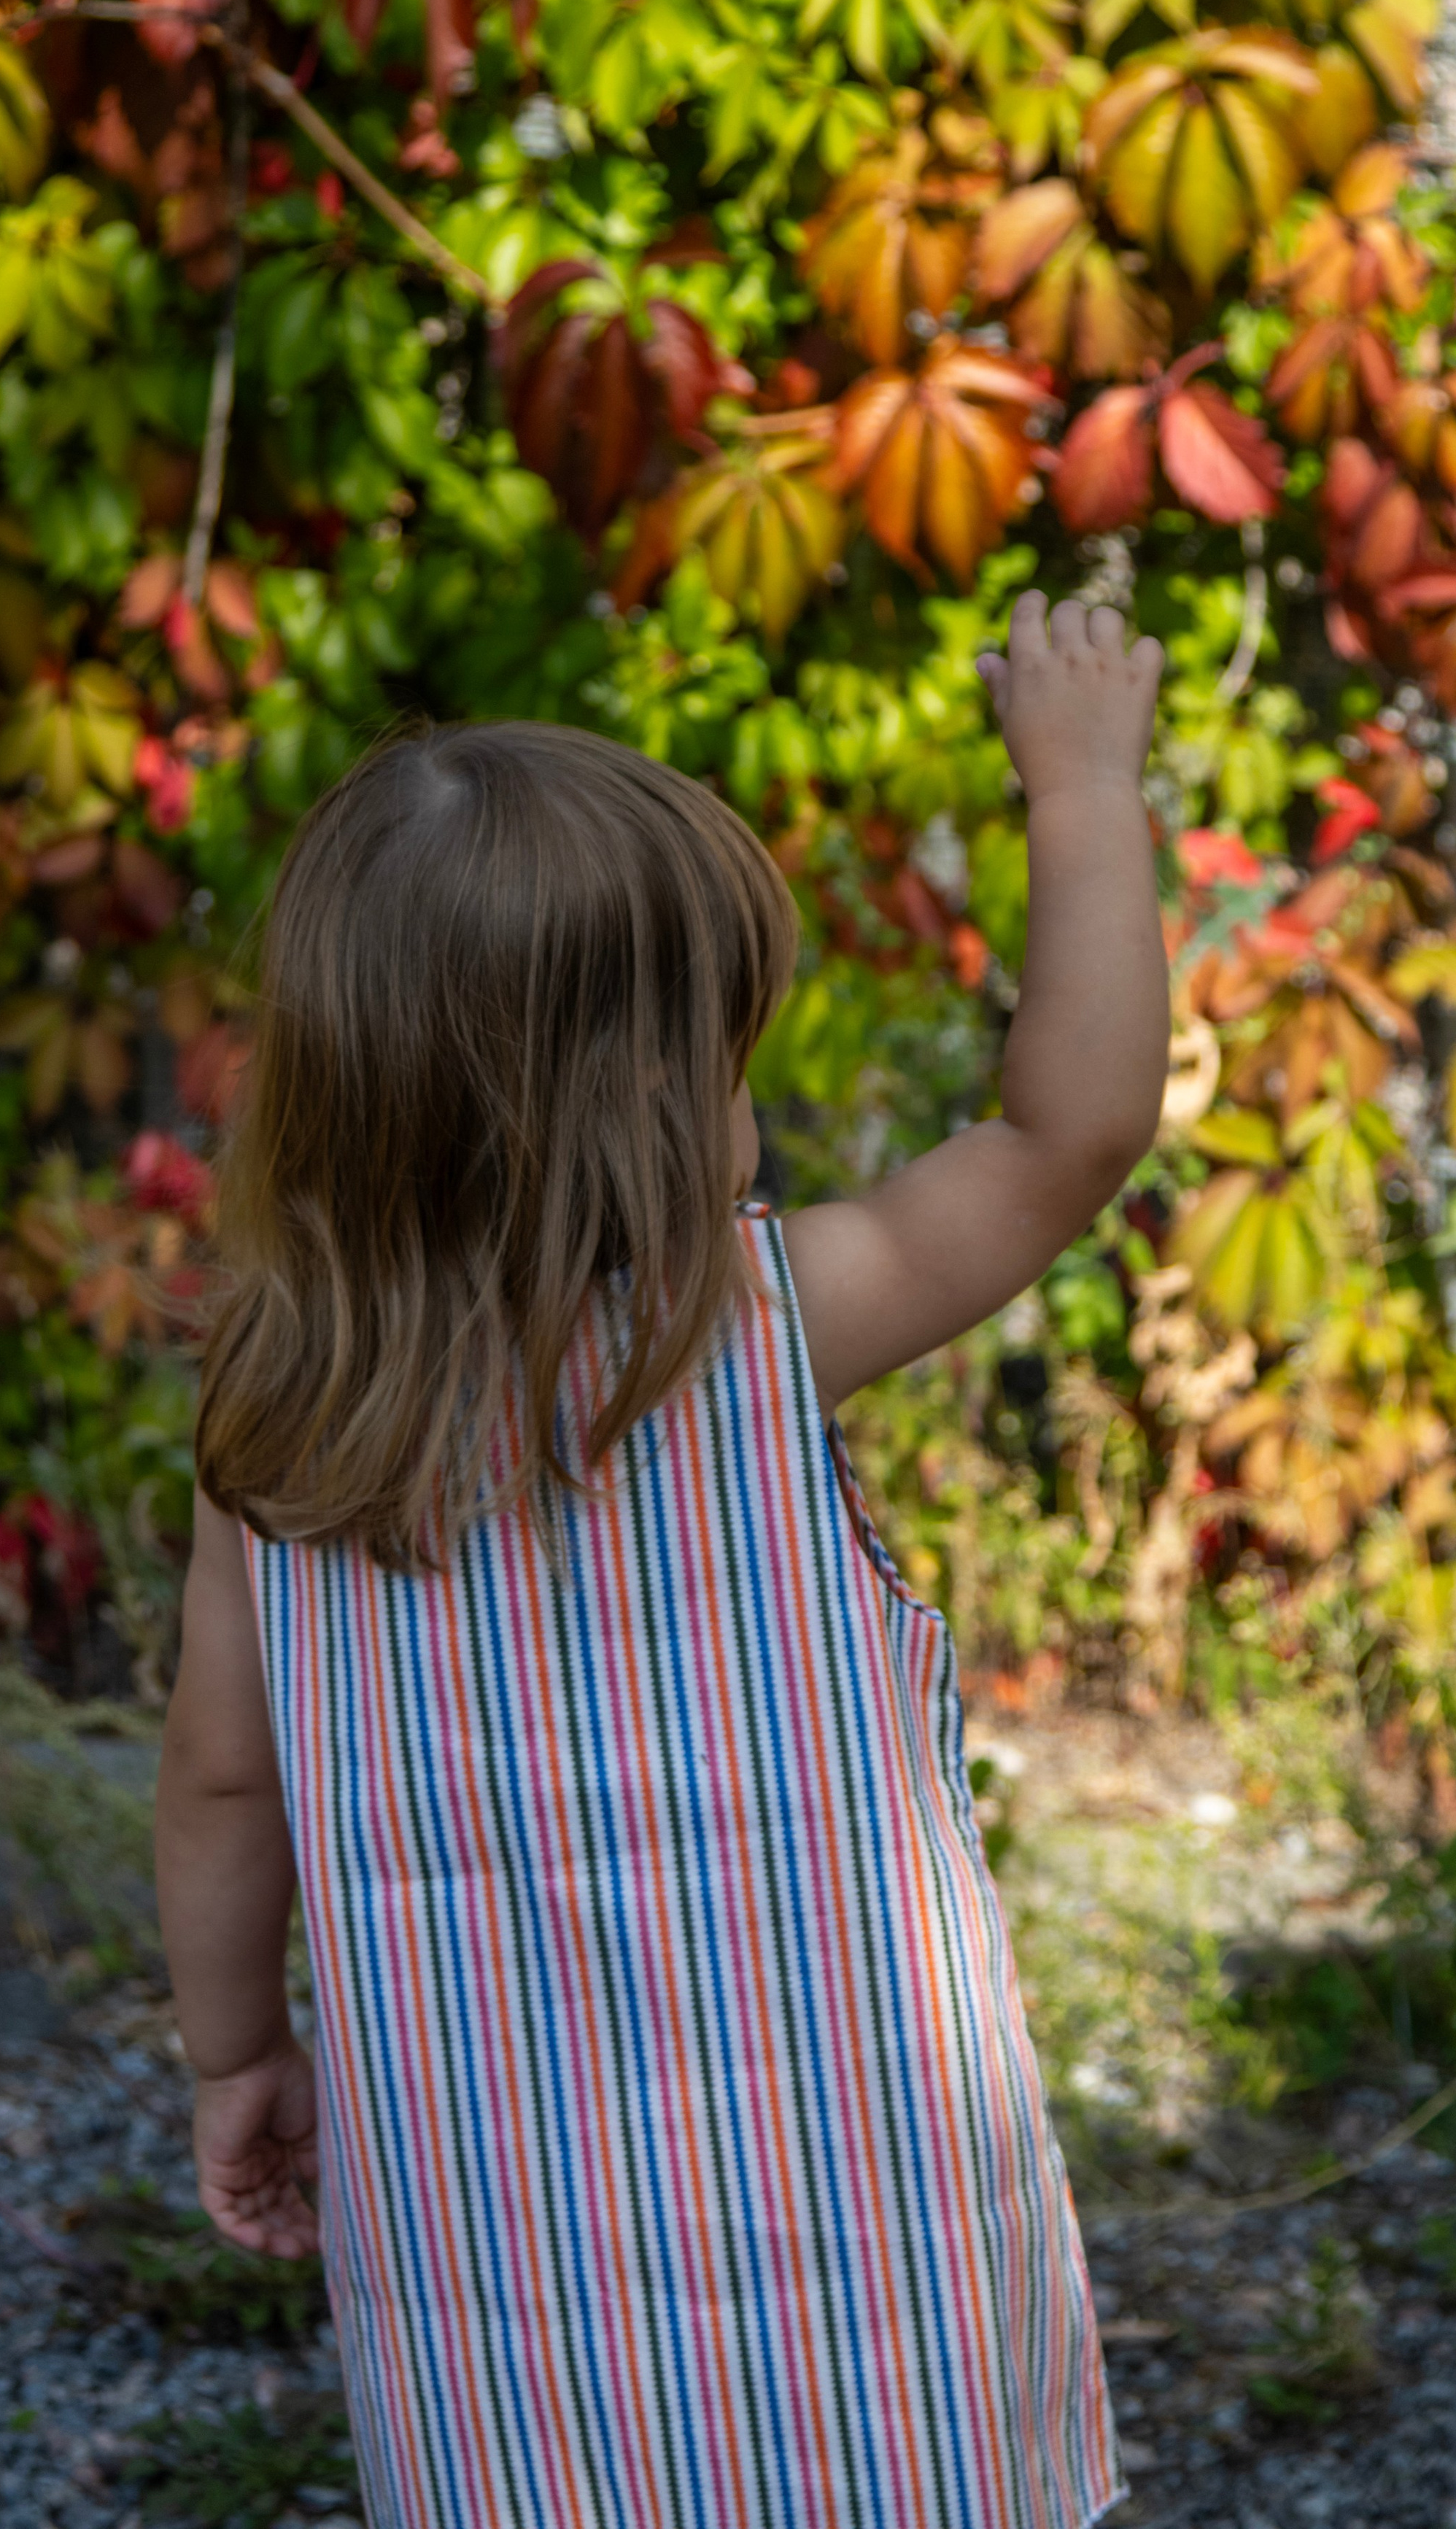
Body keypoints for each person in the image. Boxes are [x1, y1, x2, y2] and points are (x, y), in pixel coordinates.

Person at [158, 590, 1168, 2529]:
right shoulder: (766, 1325)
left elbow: (218, 1780)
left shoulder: (273, 1434)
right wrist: (1083, 785)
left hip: (503, 2290)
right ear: (640, 1110)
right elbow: (1075, 1127)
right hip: (870, 2260)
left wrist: (238, 2049)